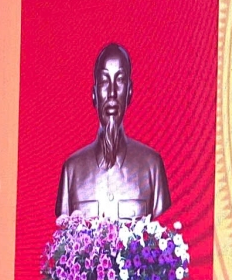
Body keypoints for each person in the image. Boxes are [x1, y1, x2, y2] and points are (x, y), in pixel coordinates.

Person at [55, 43, 171, 219]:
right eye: (104, 82)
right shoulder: (72, 170)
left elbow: (164, 226)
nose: (111, 93)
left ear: (129, 92)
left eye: (120, 80)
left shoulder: (151, 166)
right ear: (94, 94)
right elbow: (62, 231)